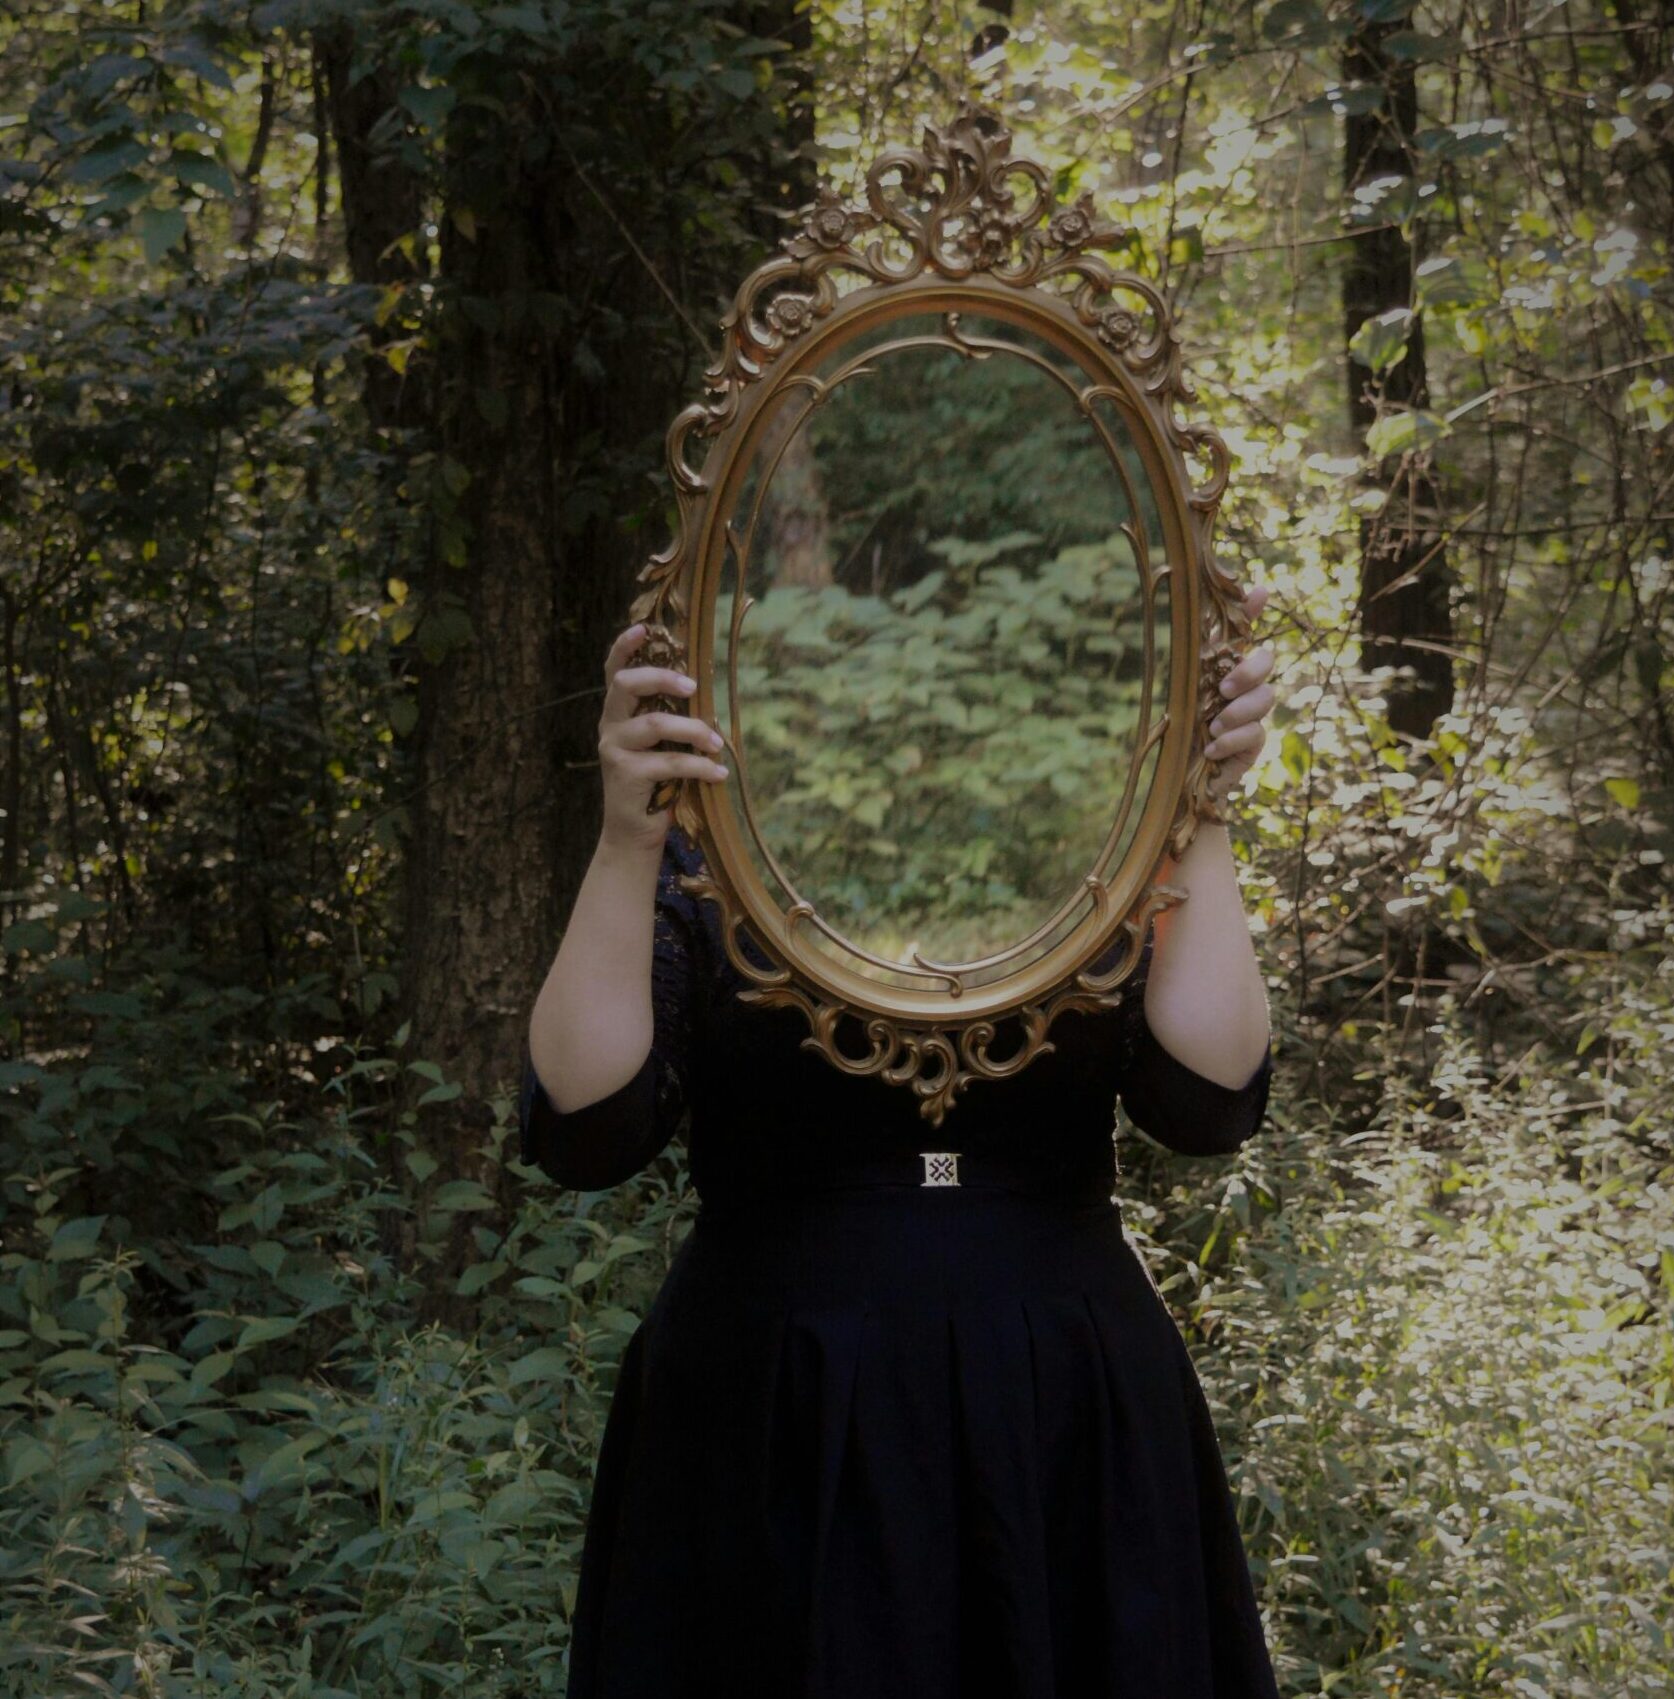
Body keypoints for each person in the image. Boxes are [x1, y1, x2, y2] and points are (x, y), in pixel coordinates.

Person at [520, 597, 1281, 1698]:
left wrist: (1200, 810)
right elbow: (585, 1131)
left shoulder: (1101, 832)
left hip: (1066, 1414)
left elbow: (1208, 1102)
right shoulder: (710, 841)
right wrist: (625, 837)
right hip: (768, 1403)